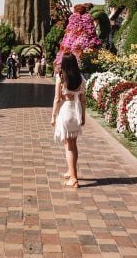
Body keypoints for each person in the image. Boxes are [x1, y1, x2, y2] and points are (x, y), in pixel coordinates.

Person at [50, 52, 86, 188]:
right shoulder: (81, 78)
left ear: (64, 64)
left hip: (66, 112)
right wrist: (83, 117)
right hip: (76, 112)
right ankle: (70, 171)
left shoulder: (61, 78)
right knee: (72, 144)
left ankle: (74, 179)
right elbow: (83, 100)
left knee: (69, 146)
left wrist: (53, 116)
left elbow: (57, 99)